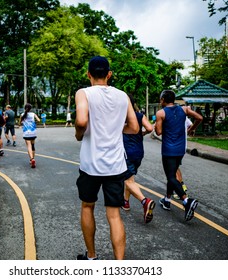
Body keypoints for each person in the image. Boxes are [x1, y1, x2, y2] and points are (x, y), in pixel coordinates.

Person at [75, 56, 139, 260]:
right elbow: (135, 128)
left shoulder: (83, 93)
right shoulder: (123, 96)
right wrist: (115, 129)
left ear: (89, 74)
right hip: (116, 165)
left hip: (90, 166)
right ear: (109, 74)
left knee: (87, 206)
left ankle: (92, 257)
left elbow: (82, 120)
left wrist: (79, 134)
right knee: (114, 215)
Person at [154, 90, 203, 221]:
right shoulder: (184, 109)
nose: (160, 101)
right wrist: (191, 129)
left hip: (168, 149)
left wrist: (164, 124)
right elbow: (199, 118)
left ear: (163, 99)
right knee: (173, 174)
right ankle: (167, 200)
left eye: (160, 99)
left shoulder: (161, 113)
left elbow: (158, 132)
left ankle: (186, 201)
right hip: (180, 148)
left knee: (171, 177)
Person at [122, 95, 155, 224]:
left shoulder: (121, 117)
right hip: (139, 152)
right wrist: (142, 134)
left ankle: (144, 201)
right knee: (130, 178)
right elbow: (150, 128)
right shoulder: (139, 116)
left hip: (126, 153)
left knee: (128, 181)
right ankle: (125, 202)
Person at [174, 115, 193, 200]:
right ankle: (182, 185)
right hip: (182, 146)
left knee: (173, 169)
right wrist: (189, 131)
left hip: (174, 146)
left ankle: (180, 192)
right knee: (176, 167)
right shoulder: (184, 117)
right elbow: (191, 125)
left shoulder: (172, 116)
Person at [19, 103, 40, 168]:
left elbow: (19, 123)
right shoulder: (33, 114)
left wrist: (23, 123)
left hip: (26, 133)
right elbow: (39, 120)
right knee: (33, 145)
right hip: (33, 132)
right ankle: (33, 158)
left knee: (29, 146)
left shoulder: (22, 115)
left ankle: (32, 159)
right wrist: (33, 122)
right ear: (31, 108)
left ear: (24, 108)